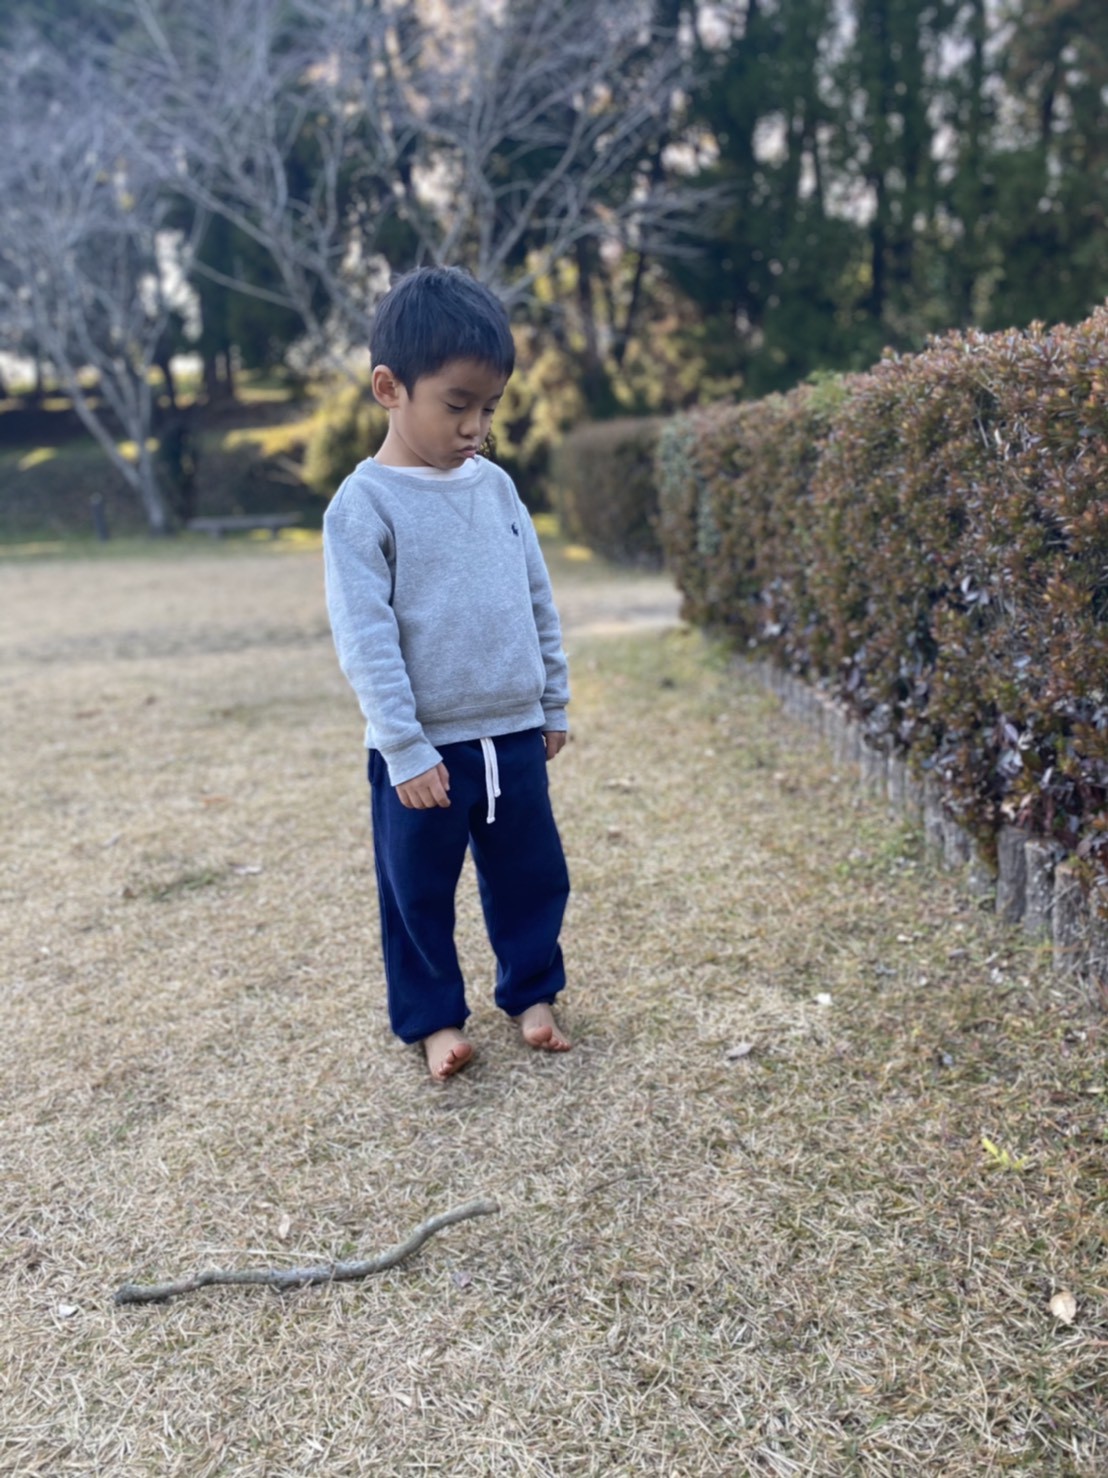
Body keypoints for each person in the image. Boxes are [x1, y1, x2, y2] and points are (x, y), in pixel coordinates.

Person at [323, 266, 572, 1081]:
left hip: (513, 735)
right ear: (389, 388)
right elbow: (366, 639)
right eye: (457, 404)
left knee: (533, 876)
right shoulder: (363, 507)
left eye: (490, 408)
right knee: (417, 893)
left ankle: (533, 994)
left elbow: (536, 598)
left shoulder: (496, 488)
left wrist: (552, 700)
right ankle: (434, 1022)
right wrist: (405, 747)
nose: (475, 427)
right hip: (423, 753)